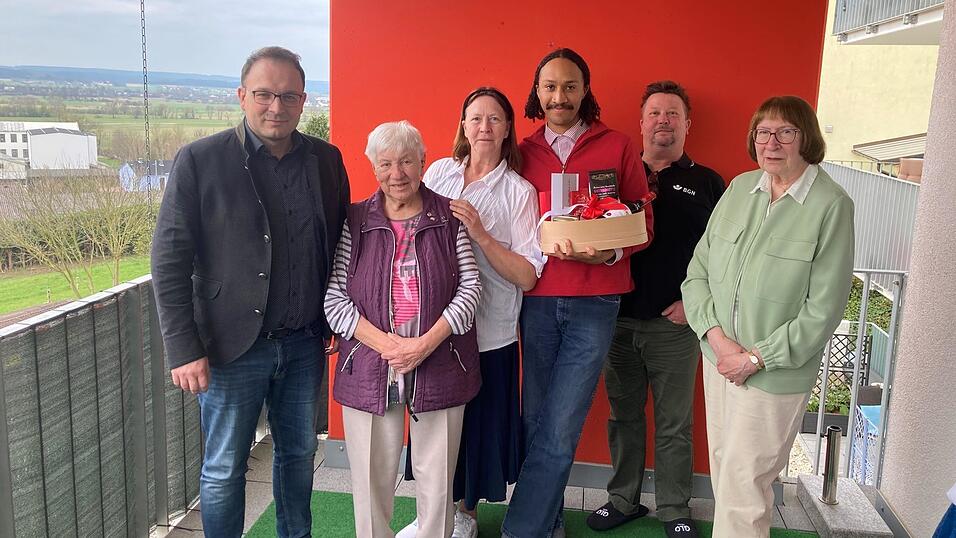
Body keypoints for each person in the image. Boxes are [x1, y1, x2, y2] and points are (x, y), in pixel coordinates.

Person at [151, 46, 350, 537]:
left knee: (299, 457)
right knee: (222, 470)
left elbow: (343, 242)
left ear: (304, 101)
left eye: (287, 96)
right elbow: (168, 260)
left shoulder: (325, 160)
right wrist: (183, 348)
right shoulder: (200, 159)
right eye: (264, 94)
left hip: (304, 344)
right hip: (227, 350)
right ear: (242, 96)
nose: (275, 107)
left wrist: (343, 323)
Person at [681, 95, 855, 537]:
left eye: (785, 132)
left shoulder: (831, 205)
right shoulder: (740, 189)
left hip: (774, 373)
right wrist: (718, 341)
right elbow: (697, 272)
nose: (771, 142)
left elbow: (824, 309)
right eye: (763, 132)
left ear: (806, 140)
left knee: (746, 483)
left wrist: (755, 359)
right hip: (720, 361)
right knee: (725, 472)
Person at [501, 48, 654, 538]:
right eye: (549, 86)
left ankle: (523, 530)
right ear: (537, 92)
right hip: (537, 300)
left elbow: (642, 225)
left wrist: (606, 254)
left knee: (562, 423)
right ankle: (545, 524)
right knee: (534, 420)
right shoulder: (520, 151)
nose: (559, 96)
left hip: (596, 302)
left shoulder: (618, 145)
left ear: (585, 90)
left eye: (569, 86)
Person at [396, 87, 543, 538]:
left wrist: (480, 232)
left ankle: (466, 514)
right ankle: (430, 512)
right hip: (434, 329)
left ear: (506, 130)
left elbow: (528, 275)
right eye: (475, 118)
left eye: (494, 119)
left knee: (476, 429)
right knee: (432, 421)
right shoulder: (438, 171)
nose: (483, 127)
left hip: (488, 333)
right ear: (463, 125)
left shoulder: (518, 191)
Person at [324, 120, 482, 538]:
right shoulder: (354, 221)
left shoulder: (450, 218)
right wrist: (389, 345)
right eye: (387, 163)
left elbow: (471, 289)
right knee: (371, 485)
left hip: (441, 364)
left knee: (437, 483)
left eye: (407, 161)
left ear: (423, 163)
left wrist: (423, 346)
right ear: (374, 168)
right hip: (370, 367)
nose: (398, 174)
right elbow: (334, 299)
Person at [588, 81, 724, 537]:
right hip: (617, 321)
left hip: (676, 327)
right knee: (622, 417)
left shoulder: (708, 183)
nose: (663, 120)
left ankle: (674, 510)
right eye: (654, 113)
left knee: (674, 424)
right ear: (642, 121)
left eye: (672, 113)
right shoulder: (615, 178)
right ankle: (622, 499)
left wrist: (693, 304)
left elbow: (723, 257)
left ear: (687, 123)